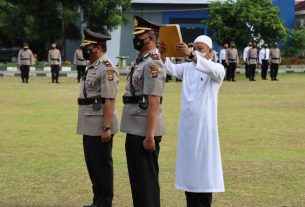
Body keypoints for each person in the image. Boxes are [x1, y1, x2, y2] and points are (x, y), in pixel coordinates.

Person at [159, 35, 225, 207]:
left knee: (203, 170)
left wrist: (191, 55)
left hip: (204, 129)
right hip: (187, 127)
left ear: (210, 52)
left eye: (200, 48)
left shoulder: (217, 68)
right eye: (194, 47)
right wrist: (163, 52)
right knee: (189, 169)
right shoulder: (188, 68)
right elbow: (170, 69)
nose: (196, 51)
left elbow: (214, 71)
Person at [120, 16, 166, 207]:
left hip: (144, 130)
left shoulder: (153, 63)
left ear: (151, 39)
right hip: (135, 126)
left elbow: (154, 101)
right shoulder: (142, 60)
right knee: (138, 180)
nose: (136, 40)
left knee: (146, 182)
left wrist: (150, 136)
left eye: (140, 36)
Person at [76, 28, 119, 207]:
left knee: (101, 166)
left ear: (98, 47)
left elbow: (109, 100)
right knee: (93, 165)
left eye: (88, 46)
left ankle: (104, 202)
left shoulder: (107, 68)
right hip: (90, 122)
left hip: (100, 124)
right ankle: (98, 200)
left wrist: (106, 127)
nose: (84, 49)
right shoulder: (93, 66)